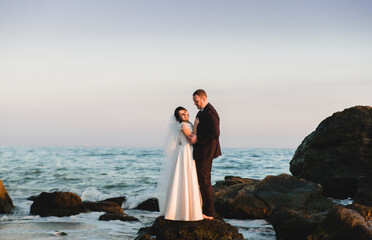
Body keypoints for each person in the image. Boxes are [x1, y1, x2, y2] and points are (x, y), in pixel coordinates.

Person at [156, 106, 203, 221]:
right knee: (186, 178)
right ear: (179, 117)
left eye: (186, 113)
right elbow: (190, 138)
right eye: (182, 114)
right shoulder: (183, 125)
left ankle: (188, 209)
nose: (186, 115)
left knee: (188, 178)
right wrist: (196, 125)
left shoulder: (187, 123)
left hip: (188, 151)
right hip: (186, 152)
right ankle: (184, 211)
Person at [189, 89, 221, 220]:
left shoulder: (210, 112)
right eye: (194, 102)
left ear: (203, 98)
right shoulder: (202, 112)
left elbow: (215, 132)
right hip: (202, 152)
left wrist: (197, 139)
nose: (195, 104)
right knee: (202, 181)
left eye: (196, 101)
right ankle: (204, 210)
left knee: (205, 182)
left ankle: (209, 213)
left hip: (206, 152)